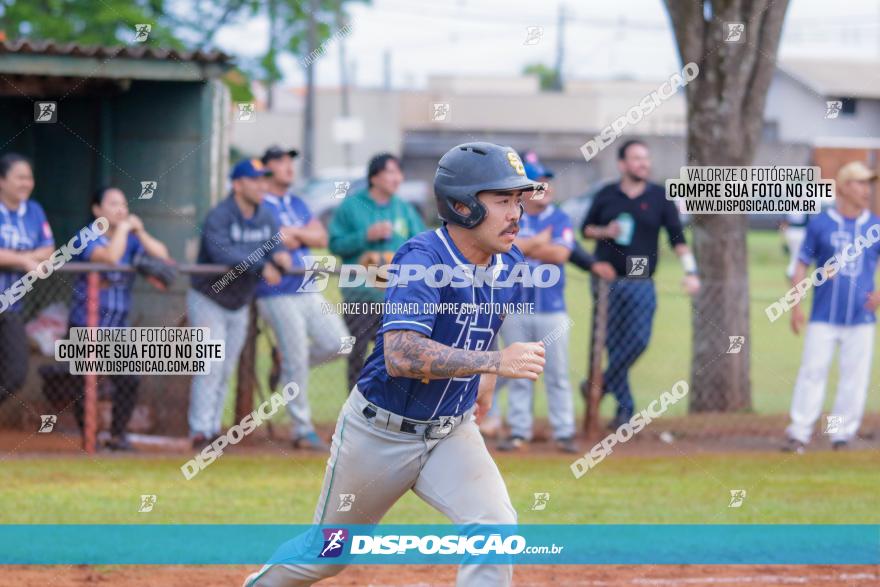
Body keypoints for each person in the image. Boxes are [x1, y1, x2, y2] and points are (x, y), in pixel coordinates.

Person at [243, 142, 547, 587]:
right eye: (502, 200)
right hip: (379, 434)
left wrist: (483, 375)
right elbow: (402, 354)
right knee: (326, 555)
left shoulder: (510, 263)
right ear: (461, 206)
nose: (516, 213)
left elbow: (484, 320)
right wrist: (495, 362)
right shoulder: (422, 259)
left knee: (495, 531)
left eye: (519, 200)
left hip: (450, 432)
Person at [493, 152, 615, 453]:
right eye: (537, 182)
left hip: (551, 308)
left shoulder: (559, 217)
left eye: (547, 181)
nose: (544, 187)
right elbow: (505, 250)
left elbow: (561, 254)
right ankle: (519, 431)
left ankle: (564, 432)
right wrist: (536, 244)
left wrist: (527, 246)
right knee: (520, 373)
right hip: (516, 307)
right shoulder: (511, 215)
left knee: (558, 373)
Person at [581, 140, 700, 428]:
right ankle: (625, 411)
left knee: (637, 341)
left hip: (640, 281)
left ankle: (600, 383)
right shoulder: (607, 194)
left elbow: (678, 241)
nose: (644, 164)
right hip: (606, 282)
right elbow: (585, 229)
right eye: (636, 158)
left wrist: (691, 272)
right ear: (622, 164)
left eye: (646, 158)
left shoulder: (659, 197)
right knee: (611, 344)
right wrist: (604, 231)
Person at [187, 159, 292, 449]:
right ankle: (199, 430)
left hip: (240, 301)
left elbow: (276, 245)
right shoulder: (220, 215)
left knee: (226, 366)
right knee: (210, 364)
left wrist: (281, 256)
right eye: (254, 179)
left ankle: (211, 429)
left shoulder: (267, 216)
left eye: (263, 179)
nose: (262, 185)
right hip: (210, 298)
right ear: (237, 185)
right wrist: (262, 265)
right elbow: (223, 254)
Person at [60, 186, 170, 451]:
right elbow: (109, 257)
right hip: (86, 324)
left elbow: (162, 255)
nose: (121, 209)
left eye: (123, 204)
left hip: (117, 326)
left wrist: (140, 231)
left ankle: (118, 435)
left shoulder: (132, 239)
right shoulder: (87, 235)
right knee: (84, 384)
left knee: (129, 379)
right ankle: (90, 438)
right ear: (97, 210)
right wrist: (122, 229)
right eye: (112, 204)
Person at [256, 146, 349, 451]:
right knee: (296, 356)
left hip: (307, 286)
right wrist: (294, 235)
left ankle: (283, 366)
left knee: (338, 343)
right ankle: (302, 428)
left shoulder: (296, 202)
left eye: (290, 161)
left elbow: (320, 238)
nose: (288, 166)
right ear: (266, 168)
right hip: (275, 291)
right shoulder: (259, 203)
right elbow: (274, 239)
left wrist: (293, 233)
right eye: (280, 161)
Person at [784, 161, 879, 453]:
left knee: (854, 377)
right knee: (813, 371)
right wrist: (795, 305)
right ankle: (800, 433)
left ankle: (839, 435)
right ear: (842, 187)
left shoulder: (875, 226)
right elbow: (801, 265)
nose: (866, 190)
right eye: (859, 183)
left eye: (868, 184)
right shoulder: (820, 224)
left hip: (861, 317)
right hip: (823, 315)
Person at [328, 153, 426, 391]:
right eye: (391, 172)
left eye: (399, 172)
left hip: (395, 300)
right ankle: (352, 410)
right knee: (356, 357)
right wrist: (365, 237)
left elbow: (421, 245)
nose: (397, 178)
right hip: (360, 298)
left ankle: (384, 410)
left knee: (394, 358)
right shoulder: (351, 206)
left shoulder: (403, 209)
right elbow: (335, 244)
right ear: (375, 176)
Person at [0, 153, 54, 405]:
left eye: (29, 178)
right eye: (20, 177)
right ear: (2, 180)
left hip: (11, 306)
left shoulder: (34, 210)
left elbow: (48, 249)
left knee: (15, 375)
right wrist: (23, 260)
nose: (26, 183)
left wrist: (23, 256)